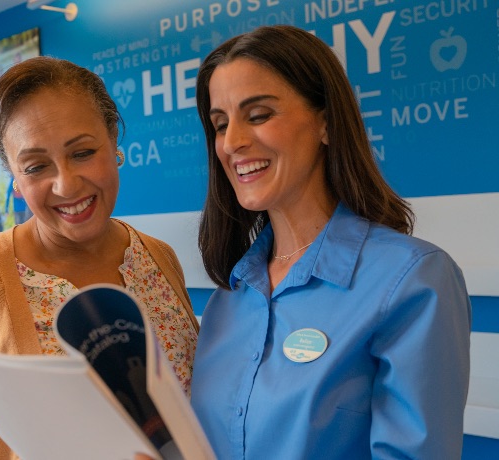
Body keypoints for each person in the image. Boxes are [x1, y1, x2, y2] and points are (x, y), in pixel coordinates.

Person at [0, 56, 199, 459]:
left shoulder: (158, 258)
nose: (66, 184)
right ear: (14, 178)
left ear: (114, 141)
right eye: (36, 166)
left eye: (84, 152)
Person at [190, 25, 471, 460]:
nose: (233, 142)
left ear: (325, 121)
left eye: (259, 115)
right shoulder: (230, 298)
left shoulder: (413, 281)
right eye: (220, 124)